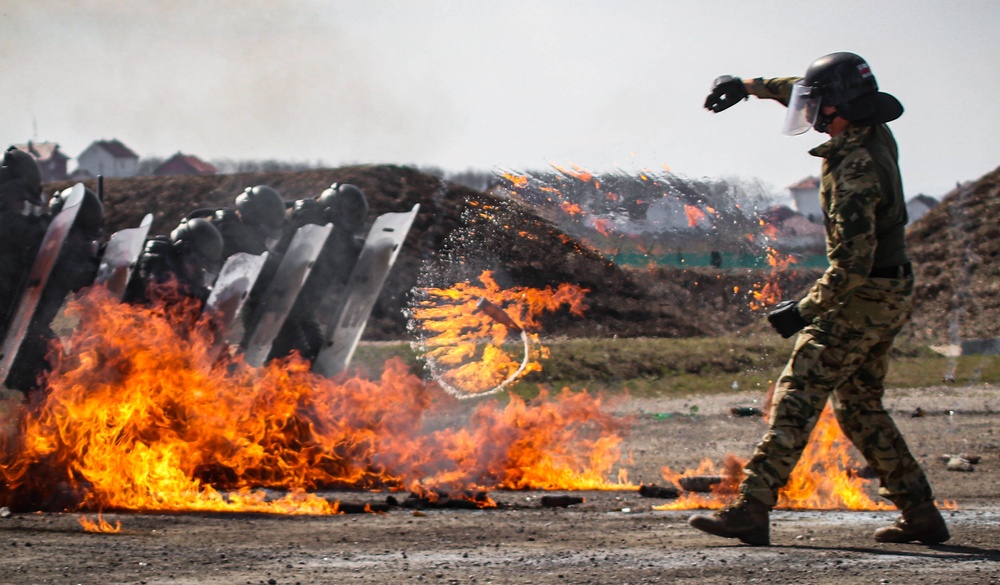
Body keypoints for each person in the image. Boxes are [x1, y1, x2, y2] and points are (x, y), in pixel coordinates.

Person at [689, 52, 949, 546]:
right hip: (891, 288)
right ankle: (921, 515)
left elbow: (851, 264)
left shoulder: (856, 170)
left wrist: (805, 310)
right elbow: (800, 88)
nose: (810, 115)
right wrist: (748, 85)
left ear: (840, 108)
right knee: (860, 408)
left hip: (862, 293)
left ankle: (751, 507)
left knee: (797, 397)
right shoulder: (868, 128)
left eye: (820, 107)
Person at [268, 183, 368, 361]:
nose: (344, 234)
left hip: (303, 312)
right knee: (293, 360)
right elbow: (273, 264)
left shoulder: (338, 235)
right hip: (276, 312)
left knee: (322, 359)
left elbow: (347, 269)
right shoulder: (296, 220)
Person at [124, 217, 224, 307]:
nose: (198, 272)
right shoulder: (152, 262)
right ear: (183, 251)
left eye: (204, 270)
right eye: (196, 264)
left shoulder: (192, 283)